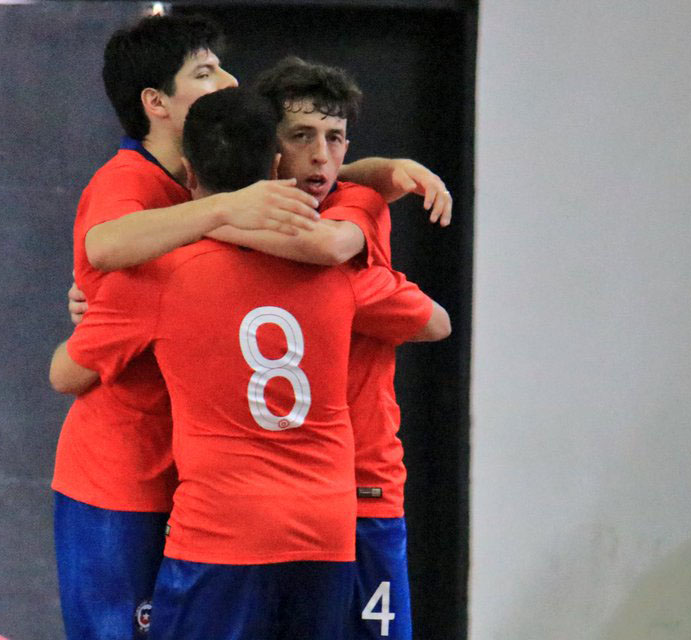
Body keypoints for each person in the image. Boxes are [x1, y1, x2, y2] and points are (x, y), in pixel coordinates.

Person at [54, 13, 453, 639]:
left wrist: (367, 176)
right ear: (156, 103)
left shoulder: (282, 226)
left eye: (336, 139)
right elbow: (103, 251)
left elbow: (327, 240)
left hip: (221, 496)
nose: (227, 79)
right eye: (206, 71)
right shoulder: (131, 183)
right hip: (131, 478)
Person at [256, 56, 449, 639]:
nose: (320, 155)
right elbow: (432, 321)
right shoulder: (334, 226)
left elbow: (436, 323)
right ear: (269, 146)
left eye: (334, 138)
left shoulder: (352, 207)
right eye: (301, 136)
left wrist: (384, 174)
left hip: (360, 488)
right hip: (279, 498)